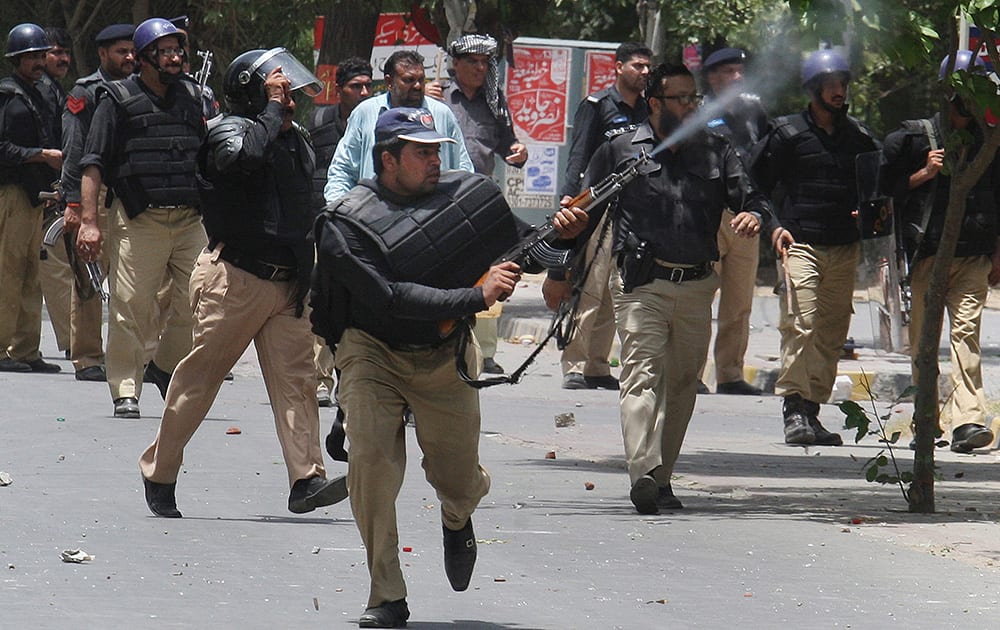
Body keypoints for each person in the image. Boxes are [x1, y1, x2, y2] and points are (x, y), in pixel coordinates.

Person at [311, 107, 586, 627]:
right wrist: (475, 295)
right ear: (388, 159)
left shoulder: (470, 195)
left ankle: (457, 517)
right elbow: (387, 297)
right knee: (370, 465)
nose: (435, 160)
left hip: (445, 357)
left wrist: (567, 235)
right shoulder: (344, 222)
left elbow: (527, 248)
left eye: (437, 149)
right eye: (422, 151)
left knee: (457, 478)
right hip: (371, 350)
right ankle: (386, 594)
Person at [138, 49, 348, 518]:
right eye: (279, 90)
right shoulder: (227, 132)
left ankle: (306, 479)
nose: (290, 100)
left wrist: (308, 278)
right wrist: (271, 111)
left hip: (288, 285)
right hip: (234, 278)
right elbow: (243, 160)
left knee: (297, 384)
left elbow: (301, 213)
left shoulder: (297, 140)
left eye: (290, 92)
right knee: (200, 380)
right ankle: (160, 468)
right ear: (256, 90)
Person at [552, 63, 768, 515]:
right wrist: (561, 259)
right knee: (640, 377)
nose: (691, 106)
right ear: (655, 103)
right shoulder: (619, 150)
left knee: (682, 385)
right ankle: (642, 472)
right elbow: (583, 211)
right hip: (640, 282)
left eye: (694, 98)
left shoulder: (716, 149)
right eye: (681, 99)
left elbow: (748, 198)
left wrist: (753, 216)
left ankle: (661, 479)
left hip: (695, 285)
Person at [76, 17, 208, 418]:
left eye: (176, 50)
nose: (174, 57)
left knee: (201, 302)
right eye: (165, 51)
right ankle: (125, 388)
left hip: (190, 221)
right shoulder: (114, 99)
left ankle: (164, 366)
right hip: (140, 220)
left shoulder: (192, 97)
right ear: (145, 57)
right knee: (130, 306)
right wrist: (88, 221)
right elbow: (93, 163)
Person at [752, 49, 879, 446]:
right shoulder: (787, 134)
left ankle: (811, 409)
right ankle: (793, 407)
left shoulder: (858, 138)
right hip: (799, 243)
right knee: (801, 323)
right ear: (813, 90)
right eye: (830, 85)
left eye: (842, 84)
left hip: (844, 249)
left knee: (831, 332)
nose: (839, 92)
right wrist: (772, 228)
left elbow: (874, 191)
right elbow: (754, 188)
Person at [882, 50, 999, 454]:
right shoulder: (913, 139)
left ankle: (967, 421)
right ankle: (926, 417)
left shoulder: (989, 144)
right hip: (927, 257)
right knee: (923, 343)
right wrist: (924, 174)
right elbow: (883, 193)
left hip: (973, 258)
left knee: (966, 335)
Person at [544, 42, 652, 390]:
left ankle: (597, 365)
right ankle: (574, 362)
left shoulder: (649, 109)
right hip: (598, 205)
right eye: (637, 66)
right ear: (618, 67)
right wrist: (567, 197)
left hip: (634, 210)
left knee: (614, 288)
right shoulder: (598, 106)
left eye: (648, 67)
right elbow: (579, 154)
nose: (644, 72)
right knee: (590, 285)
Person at [436, 33, 528, 375]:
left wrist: (520, 153)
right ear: (455, 64)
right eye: (472, 62)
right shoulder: (437, 97)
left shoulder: (494, 101)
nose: (479, 68)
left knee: (489, 268)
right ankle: (439, 333)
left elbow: (510, 147)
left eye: (484, 63)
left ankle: (485, 351)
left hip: (481, 198)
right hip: (440, 196)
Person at [60, 24, 136, 382]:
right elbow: (75, 148)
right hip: (96, 191)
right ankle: (88, 356)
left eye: (133, 50)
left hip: (132, 193)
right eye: (121, 51)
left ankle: (136, 356)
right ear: (103, 54)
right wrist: (74, 201)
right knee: (89, 275)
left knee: (134, 280)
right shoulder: (86, 91)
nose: (129, 57)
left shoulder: (140, 87)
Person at [698, 47, 769, 396]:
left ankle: (730, 373)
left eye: (740, 71)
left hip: (745, 217)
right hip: (707, 217)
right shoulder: (697, 112)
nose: (737, 78)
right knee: (698, 297)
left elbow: (769, 159)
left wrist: (762, 211)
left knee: (739, 302)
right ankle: (692, 373)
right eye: (729, 71)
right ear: (712, 78)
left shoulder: (753, 111)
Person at [307, 56, 373, 408]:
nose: (363, 93)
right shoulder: (318, 123)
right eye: (355, 87)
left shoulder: (380, 122)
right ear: (339, 89)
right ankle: (321, 380)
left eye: (368, 86)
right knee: (324, 301)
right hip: (327, 226)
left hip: (369, 229)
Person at [323, 49, 473, 203]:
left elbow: (463, 171)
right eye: (409, 80)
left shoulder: (442, 113)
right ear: (389, 82)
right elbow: (343, 171)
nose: (417, 86)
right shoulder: (365, 113)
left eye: (421, 80)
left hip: (431, 216)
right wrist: (339, 211)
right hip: (376, 217)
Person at [0, 23, 63, 374]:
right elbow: (2, 149)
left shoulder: (44, 93)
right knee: (7, 274)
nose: (39, 62)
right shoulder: (8, 97)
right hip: (12, 194)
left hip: (37, 196)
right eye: (31, 57)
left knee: (31, 275)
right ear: (17, 60)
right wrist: (41, 155)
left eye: (42, 55)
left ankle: (25, 349)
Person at [36, 27, 74, 360]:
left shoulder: (52, 89)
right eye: (55, 51)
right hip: (41, 190)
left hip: (43, 189)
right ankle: (73, 339)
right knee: (56, 263)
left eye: (66, 52)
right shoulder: (43, 91)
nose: (62, 58)